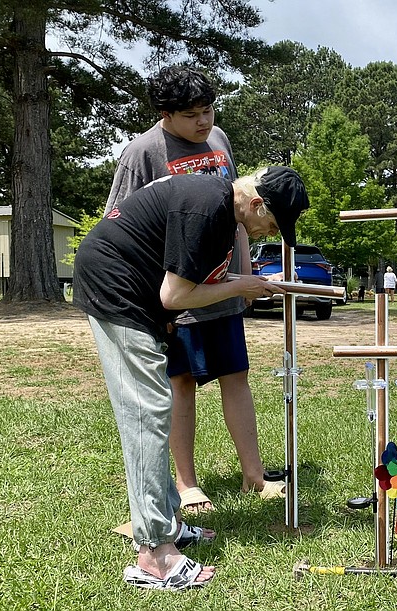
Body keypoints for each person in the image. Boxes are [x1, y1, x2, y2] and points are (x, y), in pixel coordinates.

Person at [74, 167, 310, 589]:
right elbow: (176, 296)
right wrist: (241, 289)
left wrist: (251, 282)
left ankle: (167, 523)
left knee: (154, 411)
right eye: (271, 224)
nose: (266, 233)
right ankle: (155, 553)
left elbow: (195, 280)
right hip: (114, 290)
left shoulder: (218, 206)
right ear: (256, 204)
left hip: (130, 290)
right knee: (147, 413)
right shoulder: (207, 210)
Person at [105, 65, 280, 512]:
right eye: (191, 115)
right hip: (176, 290)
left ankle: (255, 477)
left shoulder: (219, 140)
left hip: (222, 287)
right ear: (165, 115)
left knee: (236, 376)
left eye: (208, 110)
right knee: (181, 382)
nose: (203, 122)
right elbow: (123, 223)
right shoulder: (142, 152)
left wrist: (243, 279)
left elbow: (240, 210)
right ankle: (186, 485)